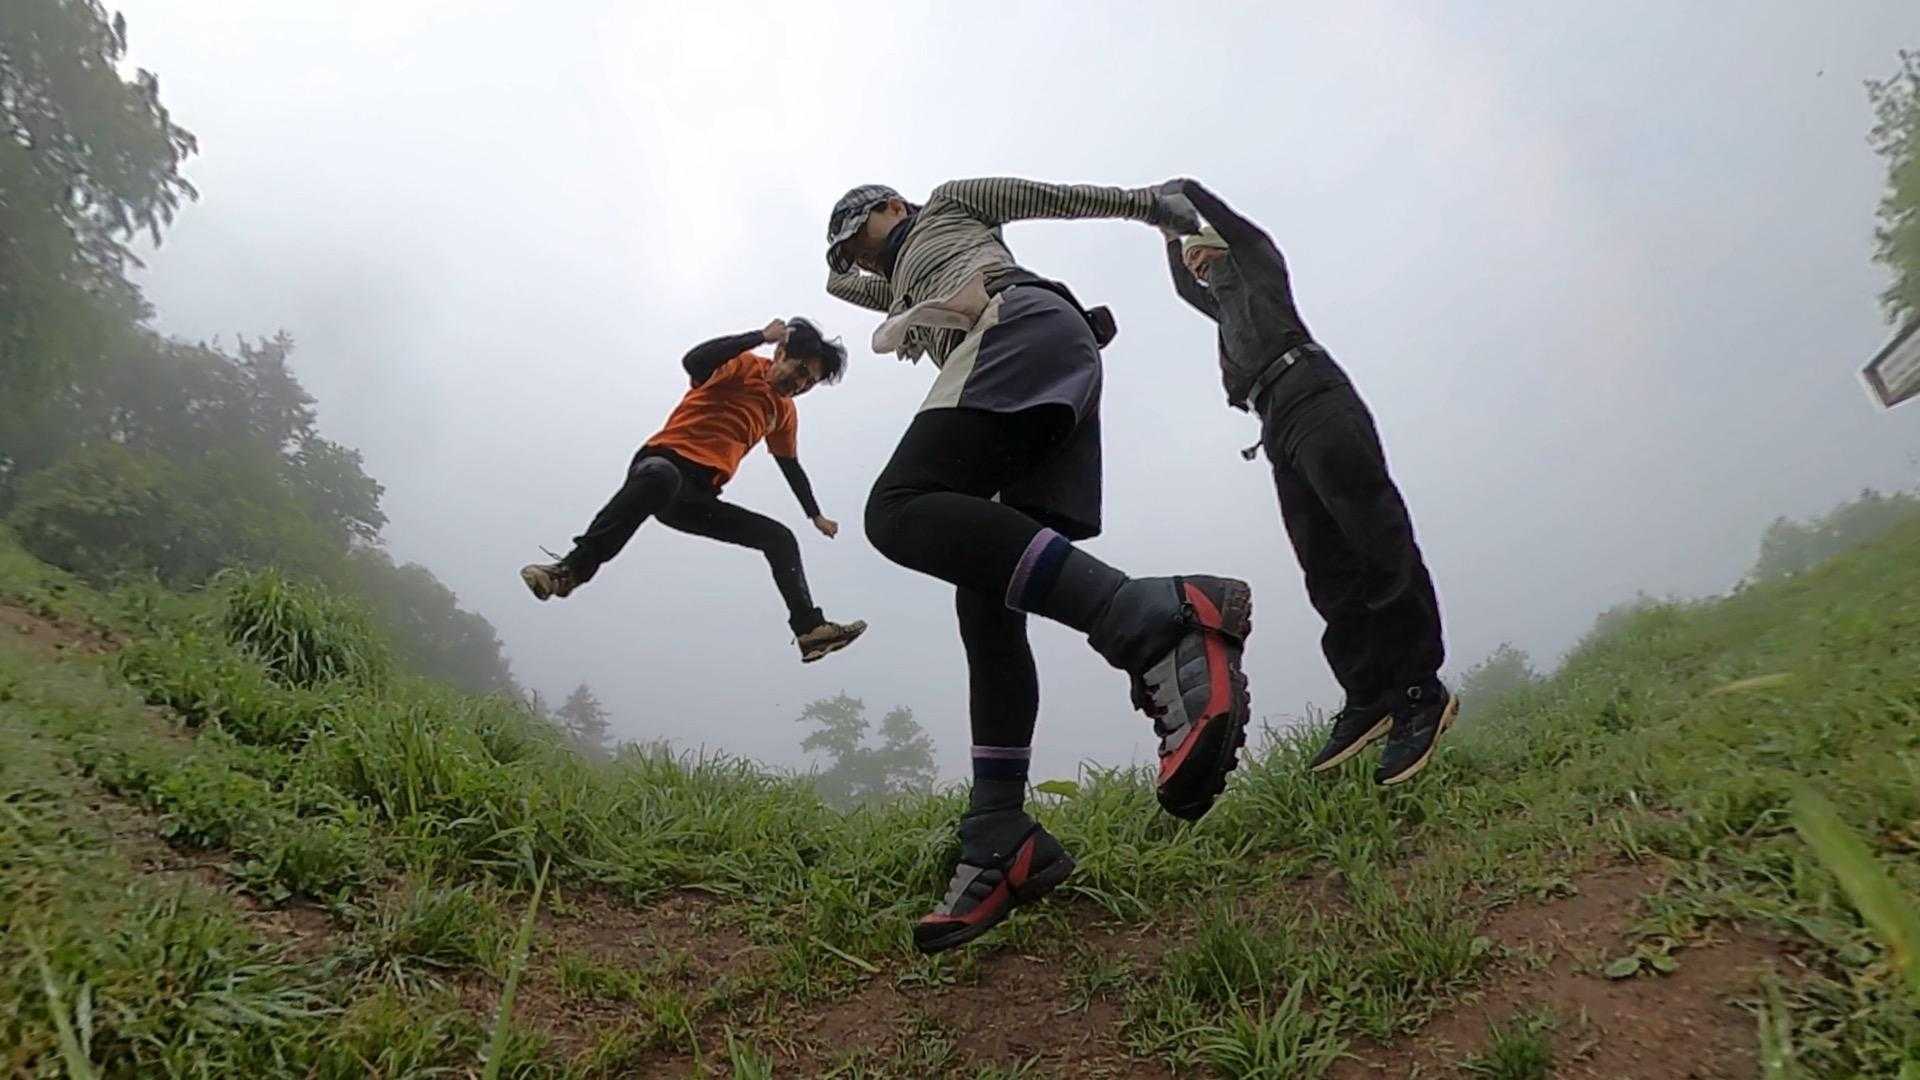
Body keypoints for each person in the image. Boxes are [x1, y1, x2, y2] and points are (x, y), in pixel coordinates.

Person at [824, 178, 1252, 954]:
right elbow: (845, 288)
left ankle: (1154, 619)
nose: (859, 256)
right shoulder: (897, 282)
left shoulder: (951, 205)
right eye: (850, 249)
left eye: (861, 233)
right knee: (985, 595)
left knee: (898, 510)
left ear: (894, 207)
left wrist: (1152, 206)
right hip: (1042, 361)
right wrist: (839, 267)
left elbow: (1052, 197)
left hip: (1018, 328)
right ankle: (999, 832)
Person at [1158, 177, 1456, 786]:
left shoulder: (1257, 271)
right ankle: (1369, 694)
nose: (1197, 264)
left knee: (1375, 541)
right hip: (1276, 422)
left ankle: (1419, 690)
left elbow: (1247, 236)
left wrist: (1184, 196)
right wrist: (1165, 230)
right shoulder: (1222, 308)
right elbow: (1184, 289)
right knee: (1325, 567)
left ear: (1223, 250)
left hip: (1316, 396)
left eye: (1202, 252)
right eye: (1192, 259)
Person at [519, 318, 867, 664]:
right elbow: (695, 362)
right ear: (781, 352)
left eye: (809, 382)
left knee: (780, 538)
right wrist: (759, 336)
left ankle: (809, 630)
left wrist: (815, 515)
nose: (800, 383)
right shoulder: (743, 366)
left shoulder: (785, 413)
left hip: (696, 497)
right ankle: (569, 571)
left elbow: (790, 465)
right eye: (800, 369)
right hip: (661, 464)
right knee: (662, 477)